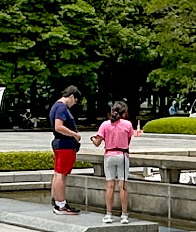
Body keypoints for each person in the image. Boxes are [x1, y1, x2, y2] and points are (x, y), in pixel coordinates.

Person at [89, 101, 138, 224]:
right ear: (124, 112)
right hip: (122, 155)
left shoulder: (105, 125)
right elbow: (128, 140)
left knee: (109, 185)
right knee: (123, 185)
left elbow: (97, 143)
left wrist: (92, 138)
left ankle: (108, 214)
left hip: (109, 155)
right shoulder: (127, 124)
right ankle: (124, 215)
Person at [47, 87, 82, 215]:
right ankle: (61, 204)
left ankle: (58, 202)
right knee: (61, 174)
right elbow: (59, 126)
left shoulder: (56, 106)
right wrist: (74, 134)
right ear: (72, 96)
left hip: (60, 144)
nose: (74, 104)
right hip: (64, 144)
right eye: (75, 101)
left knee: (58, 173)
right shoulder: (62, 107)